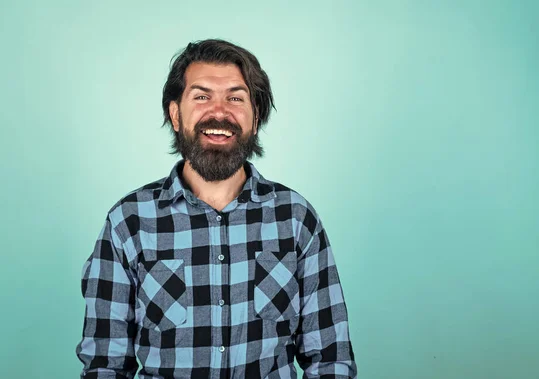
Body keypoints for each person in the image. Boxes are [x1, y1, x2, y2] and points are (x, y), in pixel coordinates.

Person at [75, 39, 357, 379]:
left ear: (255, 119)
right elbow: (105, 365)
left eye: (236, 98)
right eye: (202, 96)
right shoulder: (129, 223)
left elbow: (331, 360)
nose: (219, 112)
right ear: (176, 114)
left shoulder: (296, 219)